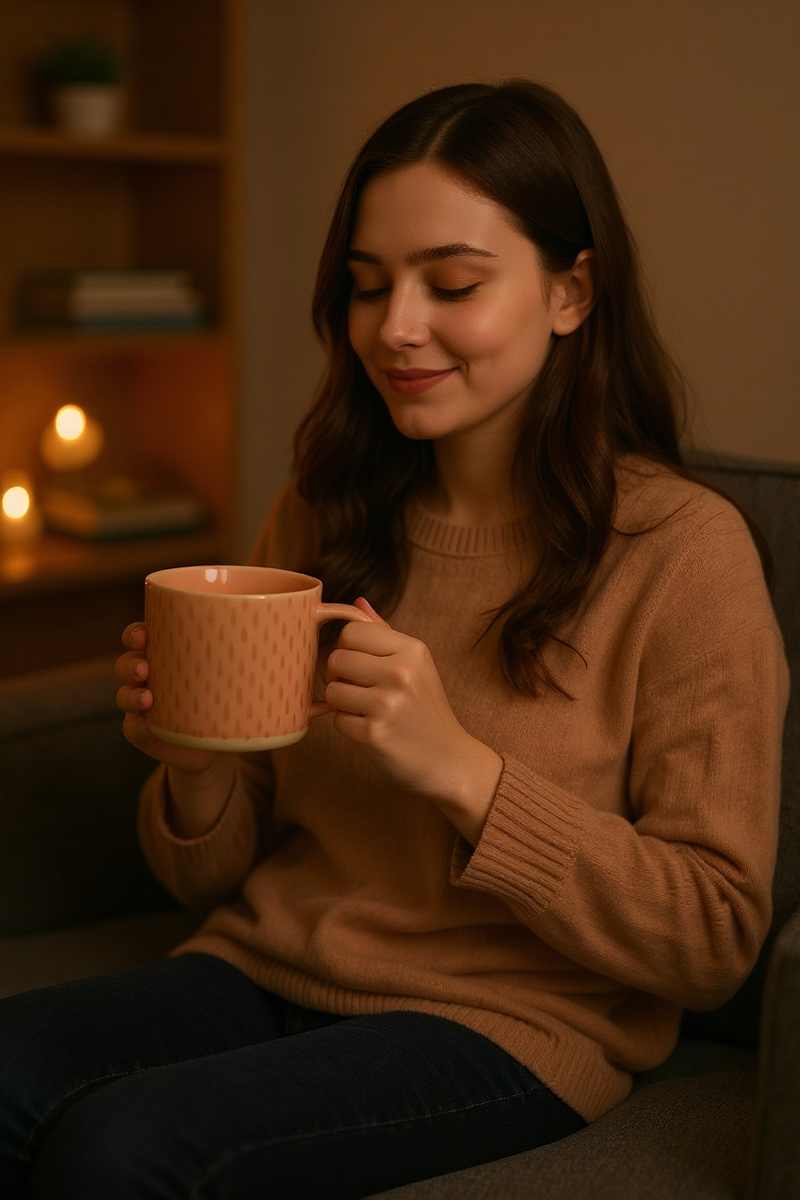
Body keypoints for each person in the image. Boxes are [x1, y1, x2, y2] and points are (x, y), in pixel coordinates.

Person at [0, 80, 789, 1200]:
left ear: (572, 292)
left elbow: (712, 938)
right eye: (368, 287)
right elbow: (212, 876)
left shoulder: (680, 553)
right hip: (265, 960)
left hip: (509, 1022)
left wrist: (462, 771)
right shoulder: (324, 510)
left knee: (122, 1149)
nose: (394, 327)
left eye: (452, 284)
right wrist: (192, 767)